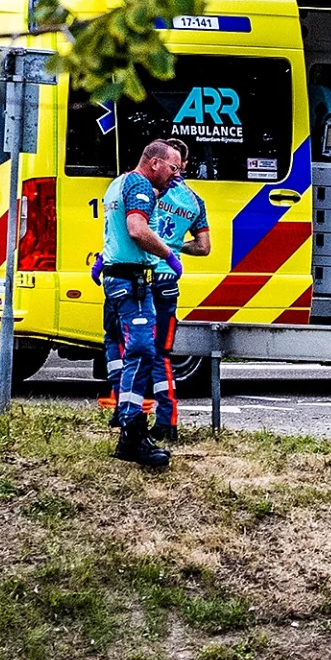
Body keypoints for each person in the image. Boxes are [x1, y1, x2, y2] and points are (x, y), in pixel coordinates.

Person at [95, 134, 204, 469]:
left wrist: (103, 260)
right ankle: (134, 430)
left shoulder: (117, 184)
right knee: (146, 350)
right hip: (136, 280)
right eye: (172, 167)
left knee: (119, 346)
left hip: (116, 278)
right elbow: (137, 230)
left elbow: (114, 232)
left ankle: (126, 420)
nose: (176, 173)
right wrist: (171, 254)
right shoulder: (142, 187)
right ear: (154, 162)